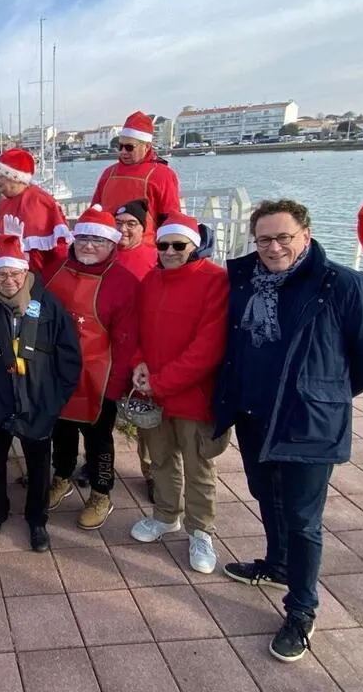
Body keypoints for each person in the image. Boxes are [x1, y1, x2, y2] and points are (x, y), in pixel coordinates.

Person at [214, 199, 363, 663]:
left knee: (302, 518)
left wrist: (325, 392)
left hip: (308, 424)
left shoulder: (345, 286)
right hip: (255, 416)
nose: (273, 247)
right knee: (264, 494)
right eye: (264, 239)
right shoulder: (244, 281)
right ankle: (277, 564)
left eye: (283, 238)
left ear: (306, 235)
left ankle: (301, 609)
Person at [129, 213, 229, 574]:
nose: (169, 252)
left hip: (193, 395)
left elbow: (208, 348)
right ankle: (166, 515)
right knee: (161, 459)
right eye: (163, 245)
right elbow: (137, 329)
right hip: (155, 391)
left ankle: (201, 529)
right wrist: (139, 363)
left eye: (178, 246)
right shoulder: (150, 280)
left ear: (194, 245)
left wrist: (161, 381)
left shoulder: (215, 280)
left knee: (199, 465)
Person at [0, 235, 81, 551]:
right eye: (2, 274)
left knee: (38, 465)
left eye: (15, 274)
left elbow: (69, 354)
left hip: (38, 399)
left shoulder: (48, 304)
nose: (9, 280)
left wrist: (57, 397)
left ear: (25, 273)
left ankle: (37, 520)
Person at [43, 205, 139, 530]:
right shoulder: (55, 271)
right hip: (57, 373)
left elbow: (127, 340)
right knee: (62, 431)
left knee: (99, 439)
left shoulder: (124, 282)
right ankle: (62, 477)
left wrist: (116, 385)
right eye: (83, 237)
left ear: (113, 244)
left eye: (97, 240)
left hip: (100, 377)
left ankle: (101, 492)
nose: (88, 245)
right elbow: (35, 316)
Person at [112, 199, 159, 500]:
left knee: (146, 417)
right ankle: (96, 463)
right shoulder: (105, 252)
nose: (124, 230)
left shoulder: (156, 258)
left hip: (144, 348)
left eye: (132, 224)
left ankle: (153, 472)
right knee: (103, 412)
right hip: (112, 347)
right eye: (120, 223)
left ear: (144, 228)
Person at [91, 111, 181, 245]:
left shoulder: (163, 175)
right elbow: (94, 212)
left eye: (129, 147)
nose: (123, 152)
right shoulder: (108, 173)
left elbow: (170, 218)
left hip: (145, 250)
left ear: (146, 147)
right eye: (120, 146)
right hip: (107, 248)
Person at [0, 148, 72, 274]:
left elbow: (57, 251)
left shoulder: (40, 201)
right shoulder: (5, 203)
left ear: (14, 177)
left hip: (37, 279)